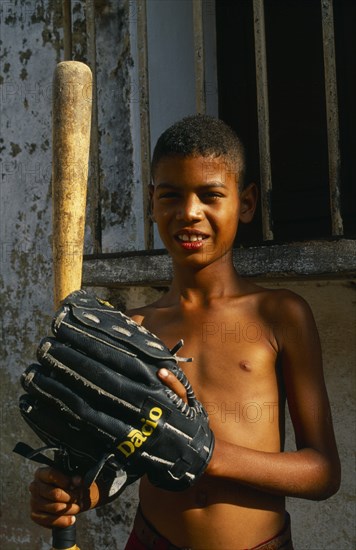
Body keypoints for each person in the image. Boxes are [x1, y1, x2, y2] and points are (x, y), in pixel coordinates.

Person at [29, 115, 340, 549]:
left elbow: (323, 472)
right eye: (171, 195)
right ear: (152, 202)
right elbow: (126, 460)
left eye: (211, 195)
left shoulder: (279, 314)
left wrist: (207, 455)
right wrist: (77, 494)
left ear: (246, 203)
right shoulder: (134, 329)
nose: (189, 212)